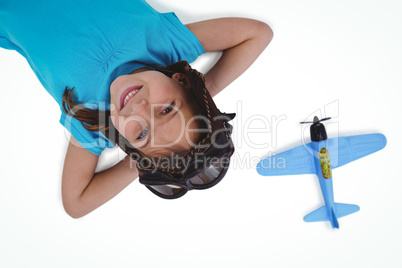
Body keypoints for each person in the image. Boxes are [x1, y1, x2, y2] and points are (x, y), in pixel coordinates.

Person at [0, 0, 273, 218]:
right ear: (181, 81)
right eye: (167, 109)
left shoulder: (90, 118)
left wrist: (143, 162)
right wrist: (206, 88)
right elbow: (259, 33)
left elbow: (76, 203)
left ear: (127, 143)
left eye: (141, 133)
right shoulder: (164, 45)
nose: (139, 109)